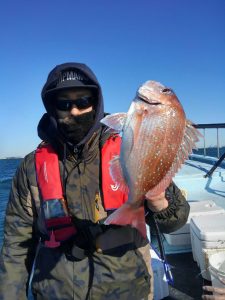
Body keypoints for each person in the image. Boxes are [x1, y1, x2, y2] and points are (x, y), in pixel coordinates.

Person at [0, 62, 190, 300]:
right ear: (51, 107)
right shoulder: (31, 167)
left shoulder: (128, 151)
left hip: (127, 290)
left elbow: (176, 220)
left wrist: (158, 199)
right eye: (64, 104)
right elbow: (15, 248)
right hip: (54, 292)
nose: (75, 111)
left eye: (83, 101)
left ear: (96, 103)